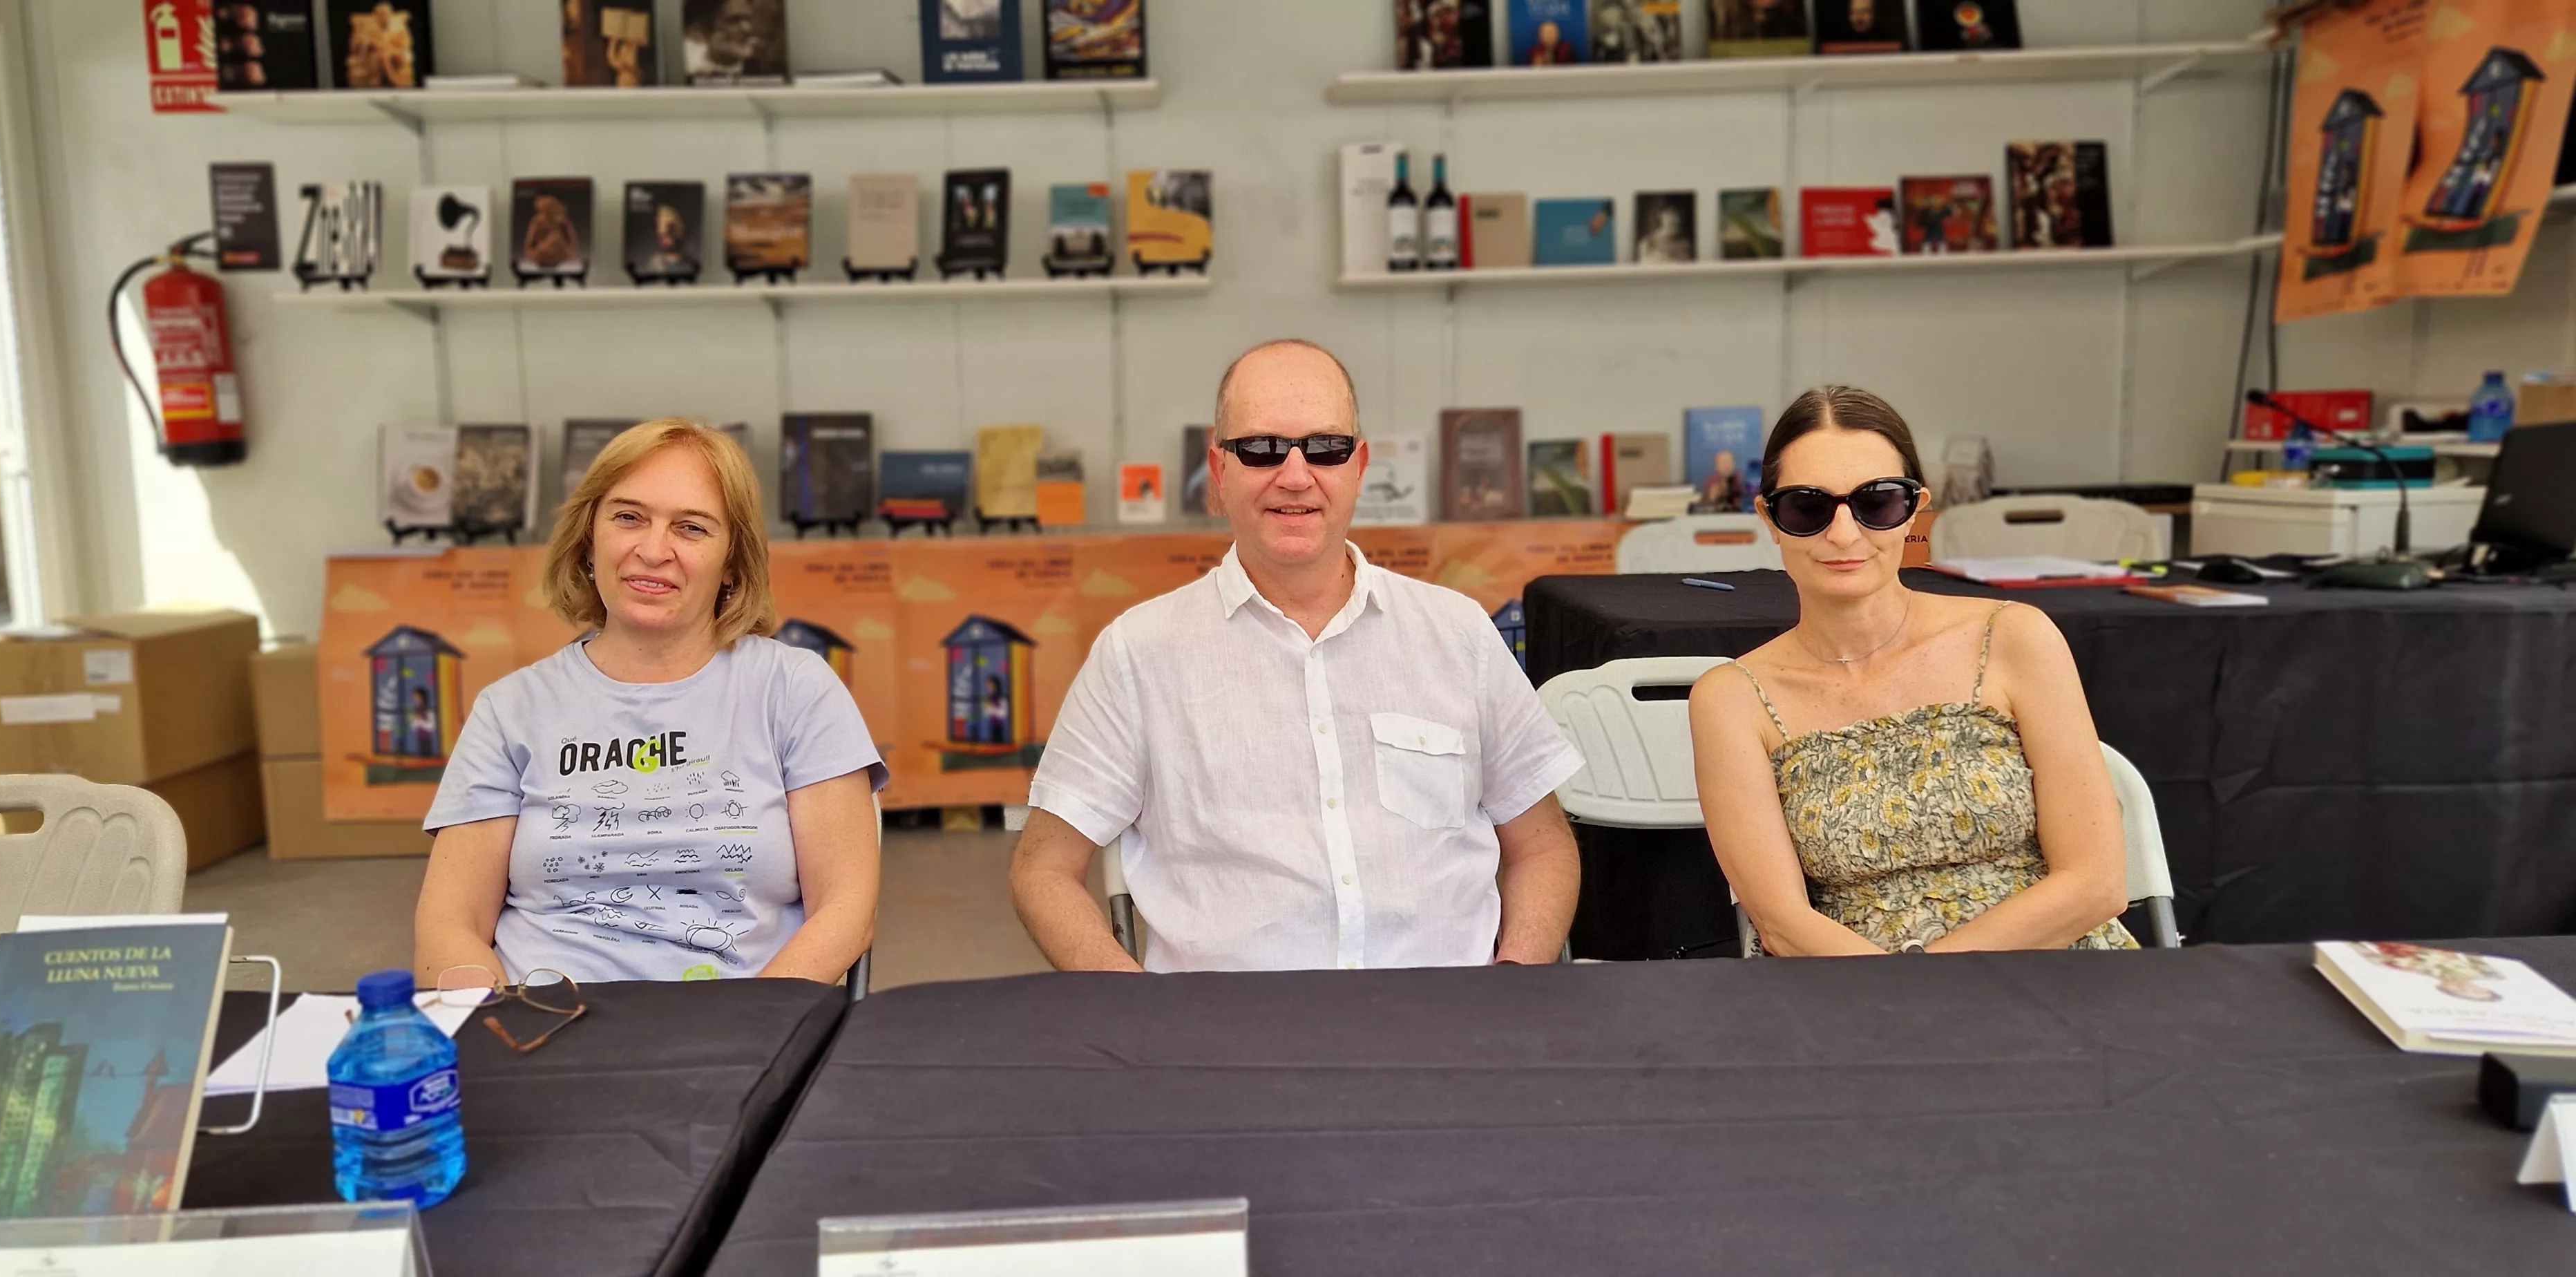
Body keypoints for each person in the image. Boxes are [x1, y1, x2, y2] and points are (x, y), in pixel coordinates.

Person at [1009, 339, 1585, 972]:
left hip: (1447, 1030)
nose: (1295, 475)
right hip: (1224, 1042)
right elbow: (1044, 869)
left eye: (1325, 447)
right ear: (1218, 471)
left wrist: (1513, 987)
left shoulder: (1458, 634)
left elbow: (1542, 847)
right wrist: (1144, 1015)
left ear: (1359, 465)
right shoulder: (1139, 654)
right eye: (1260, 449)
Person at [414, 418, 885, 986]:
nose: (653, 550)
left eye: (691, 528)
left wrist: (753, 1033)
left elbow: (846, 910)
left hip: (745, 1028)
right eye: (628, 517)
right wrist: (501, 1034)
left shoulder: (795, 690)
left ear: (733, 562)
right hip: (543, 1027)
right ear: (589, 538)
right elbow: (450, 924)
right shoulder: (510, 709)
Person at [1688, 386, 2134, 956]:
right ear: (1770, 518)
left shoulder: (2016, 637)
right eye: (1808, 507)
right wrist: (1908, 1001)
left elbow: (2096, 883)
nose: (1844, 534)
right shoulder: (1732, 698)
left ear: (1915, 509)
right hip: (1857, 994)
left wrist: (1929, 980)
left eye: (1877, 503)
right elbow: (1782, 925)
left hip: (2055, 967)